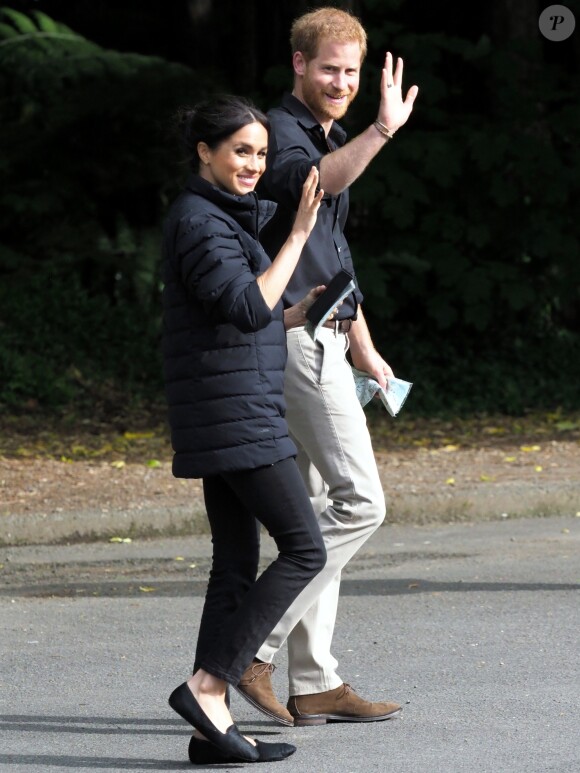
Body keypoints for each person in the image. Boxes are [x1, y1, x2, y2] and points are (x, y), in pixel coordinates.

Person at [235, 7, 419, 727]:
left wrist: (362, 342)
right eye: (329, 69)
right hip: (295, 341)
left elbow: (331, 257)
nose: (341, 82)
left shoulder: (328, 135)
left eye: (352, 71)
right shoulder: (281, 135)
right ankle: (254, 648)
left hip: (328, 335)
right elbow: (319, 187)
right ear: (299, 66)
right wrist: (381, 129)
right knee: (361, 503)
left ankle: (314, 680)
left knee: (316, 516)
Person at [161, 95, 329, 764]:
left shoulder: (217, 218)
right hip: (235, 414)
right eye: (241, 151)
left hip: (229, 405)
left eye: (261, 153)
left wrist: (298, 314)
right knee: (305, 547)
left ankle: (213, 725)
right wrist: (296, 237)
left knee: (234, 560)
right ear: (205, 152)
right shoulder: (201, 221)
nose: (254, 164)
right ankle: (208, 684)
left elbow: (241, 316)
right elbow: (244, 300)